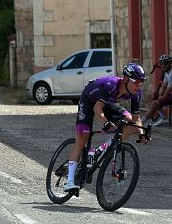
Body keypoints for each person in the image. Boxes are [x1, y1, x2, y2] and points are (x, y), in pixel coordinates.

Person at [64, 63, 148, 192]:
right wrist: (105, 122)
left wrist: (142, 133)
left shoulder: (136, 93)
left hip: (107, 102)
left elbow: (136, 118)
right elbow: (97, 108)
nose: (139, 85)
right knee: (82, 137)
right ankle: (69, 181)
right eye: (136, 81)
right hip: (89, 99)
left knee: (131, 123)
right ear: (126, 79)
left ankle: (101, 149)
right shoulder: (111, 84)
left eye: (141, 82)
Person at [141, 54, 172, 126]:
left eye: (165, 63)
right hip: (169, 93)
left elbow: (169, 89)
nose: (163, 65)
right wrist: (160, 95)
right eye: (161, 63)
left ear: (170, 63)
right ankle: (163, 118)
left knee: (155, 103)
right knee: (151, 96)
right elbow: (164, 85)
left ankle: (141, 123)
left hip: (170, 93)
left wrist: (162, 97)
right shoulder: (167, 72)